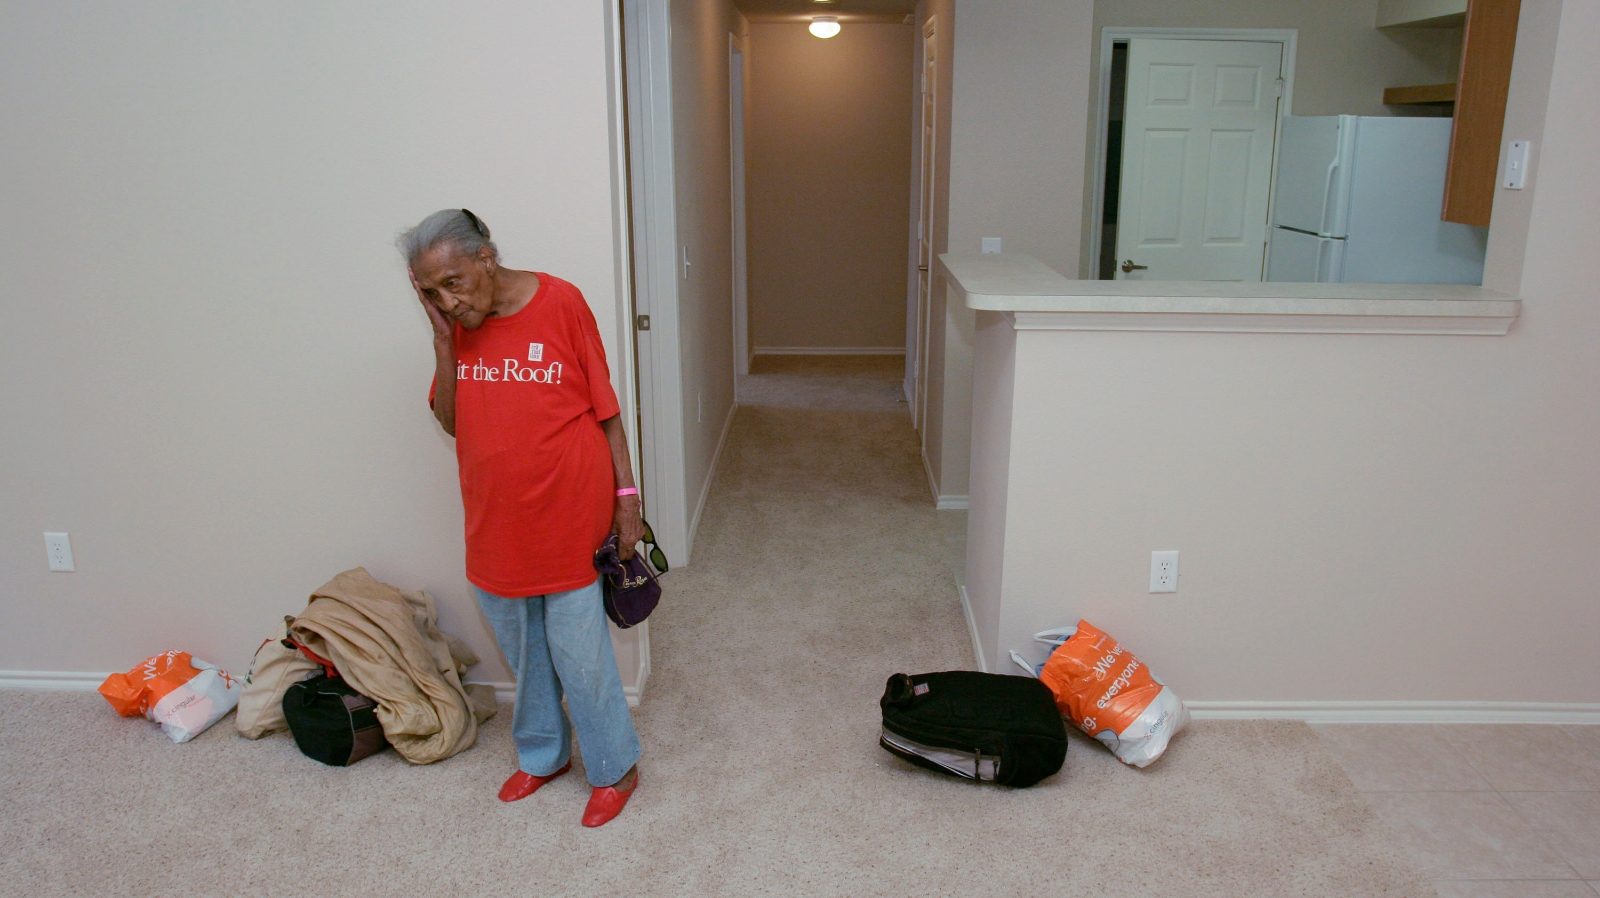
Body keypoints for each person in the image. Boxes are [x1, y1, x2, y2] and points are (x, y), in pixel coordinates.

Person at [398, 208, 642, 828]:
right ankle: (544, 754)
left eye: (453, 282)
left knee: (581, 656)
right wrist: (442, 341)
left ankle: (615, 767)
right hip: (493, 523)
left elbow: (607, 410)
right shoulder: (456, 329)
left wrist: (628, 500)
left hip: (568, 513)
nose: (448, 300)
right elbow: (452, 422)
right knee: (526, 653)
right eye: (431, 292)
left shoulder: (561, 302)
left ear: (486, 256)